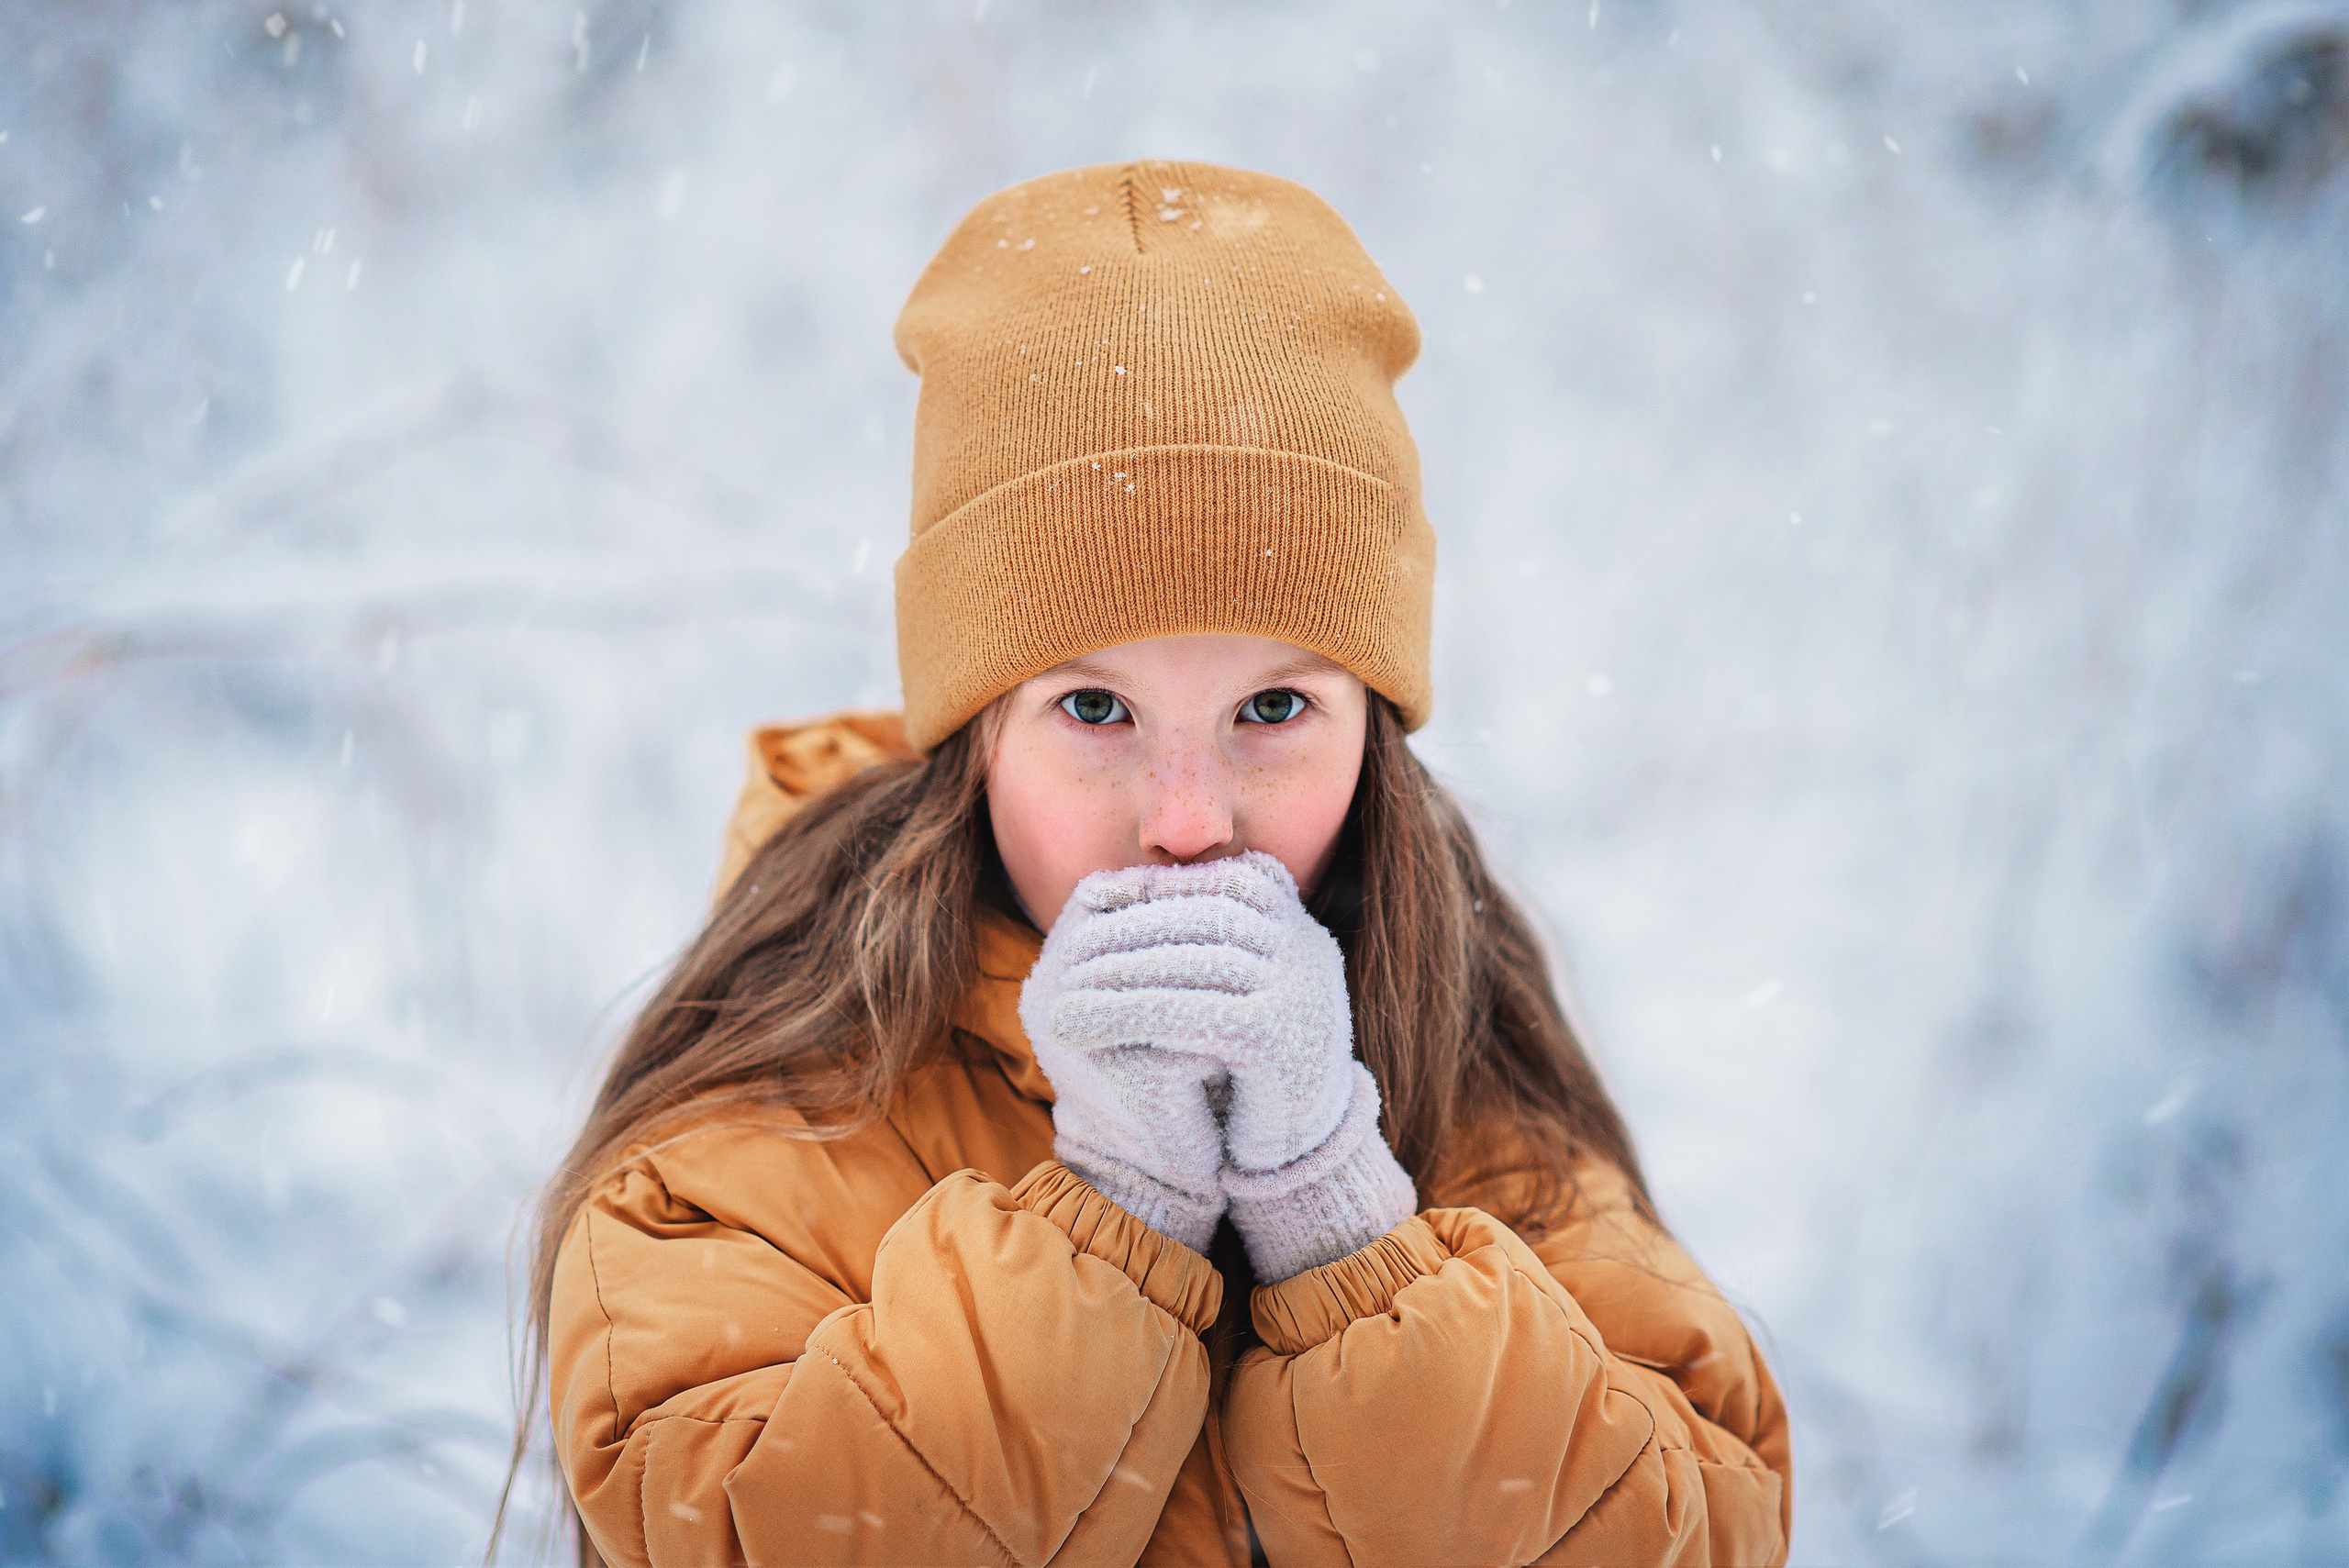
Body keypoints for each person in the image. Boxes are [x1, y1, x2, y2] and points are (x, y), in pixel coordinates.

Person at [510, 160, 1792, 1566]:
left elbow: (1700, 1526)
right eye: (1097, 710)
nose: (1189, 820)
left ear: (1376, 730)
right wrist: (1110, 1218)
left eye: (1274, 710)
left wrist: (1341, 1221)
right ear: (976, 732)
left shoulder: (1463, 1067)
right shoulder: (783, 1105)